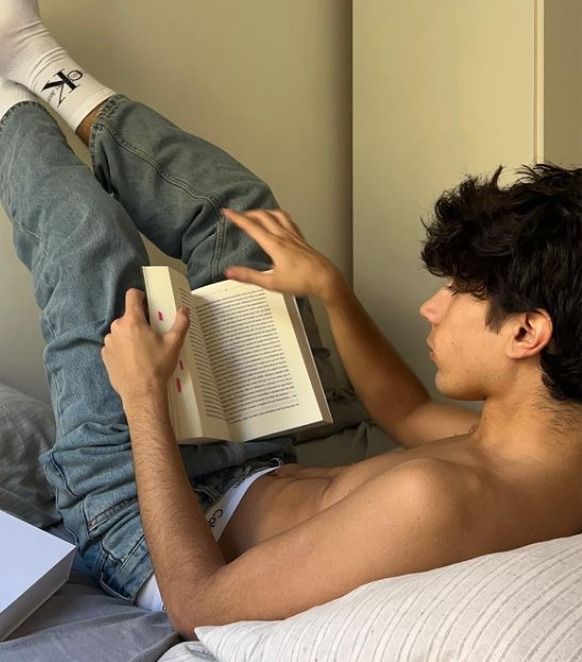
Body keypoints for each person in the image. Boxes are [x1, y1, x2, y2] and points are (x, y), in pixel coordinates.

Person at [2, 0, 582, 640]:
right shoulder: (546, 453)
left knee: (95, 248)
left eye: (458, 292)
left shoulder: (437, 500)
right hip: (254, 467)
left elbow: (199, 606)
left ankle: (7, 102)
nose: (431, 306)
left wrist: (144, 398)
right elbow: (409, 412)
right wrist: (331, 290)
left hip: (142, 522)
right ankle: (44, 69)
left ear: (528, 332)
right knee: (242, 214)